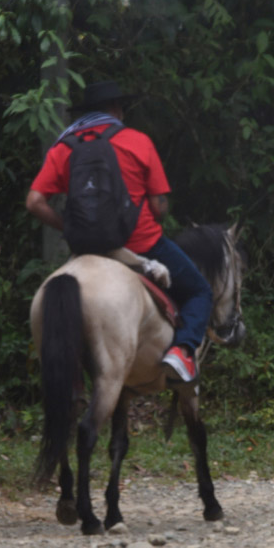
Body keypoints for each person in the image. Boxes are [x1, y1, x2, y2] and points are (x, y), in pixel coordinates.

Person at [26, 80, 212, 384]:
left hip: (87, 249)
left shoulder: (65, 146)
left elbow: (34, 202)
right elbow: (159, 205)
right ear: (116, 109)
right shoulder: (138, 141)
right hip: (142, 244)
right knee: (199, 291)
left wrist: (67, 225)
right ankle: (182, 351)